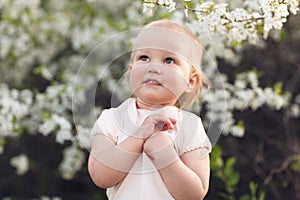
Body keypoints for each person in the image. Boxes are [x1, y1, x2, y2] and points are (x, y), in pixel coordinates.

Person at [88, 19, 212, 200]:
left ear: (190, 81)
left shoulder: (190, 126)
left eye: (169, 60)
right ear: (131, 71)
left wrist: (165, 156)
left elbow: (195, 194)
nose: (153, 67)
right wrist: (139, 135)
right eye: (144, 58)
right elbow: (100, 176)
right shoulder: (112, 119)